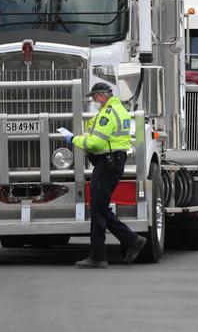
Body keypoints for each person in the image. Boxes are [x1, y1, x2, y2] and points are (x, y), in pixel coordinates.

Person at [64, 82, 147, 268]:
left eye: (94, 97)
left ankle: (99, 255)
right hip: (114, 163)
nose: (94, 101)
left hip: (107, 164)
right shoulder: (119, 110)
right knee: (100, 207)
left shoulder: (108, 114)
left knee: (98, 209)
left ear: (102, 95)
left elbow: (95, 143)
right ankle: (131, 241)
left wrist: (74, 139)